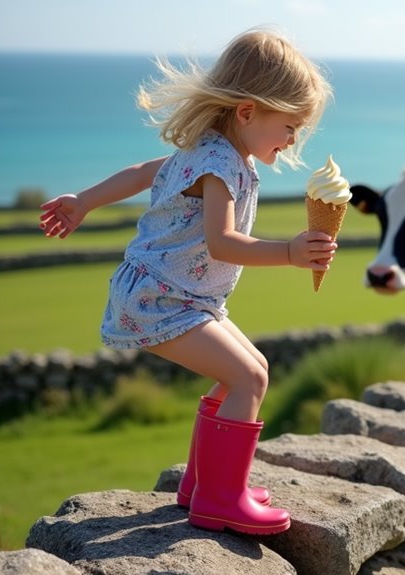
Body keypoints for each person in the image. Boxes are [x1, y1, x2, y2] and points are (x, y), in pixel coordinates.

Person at [38, 28, 336, 536]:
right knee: (249, 379)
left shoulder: (211, 151)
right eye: (288, 126)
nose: (290, 140)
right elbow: (221, 243)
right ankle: (220, 499)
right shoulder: (219, 165)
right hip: (162, 299)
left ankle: (203, 485)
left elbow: (141, 172)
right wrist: (288, 252)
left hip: (178, 295)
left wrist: (85, 200)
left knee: (249, 368)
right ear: (247, 111)